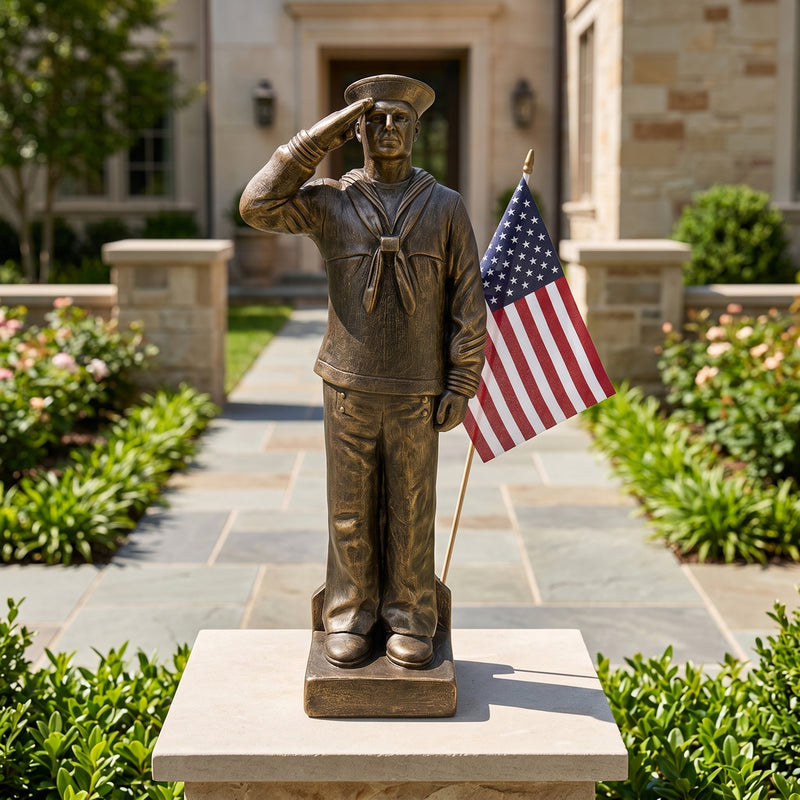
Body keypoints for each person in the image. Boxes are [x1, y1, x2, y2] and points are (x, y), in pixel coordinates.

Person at [240, 74, 486, 669]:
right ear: (358, 131)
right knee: (348, 509)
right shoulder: (332, 201)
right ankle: (349, 613)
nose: (388, 129)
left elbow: (467, 300)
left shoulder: (446, 207)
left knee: (411, 504)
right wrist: (317, 136)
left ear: (418, 130)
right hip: (348, 383)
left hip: (417, 387)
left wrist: (462, 379)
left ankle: (411, 615)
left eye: (400, 119)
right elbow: (256, 205)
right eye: (374, 120)